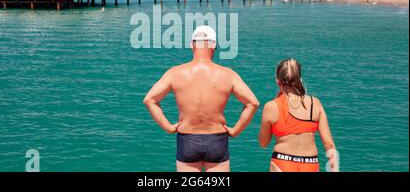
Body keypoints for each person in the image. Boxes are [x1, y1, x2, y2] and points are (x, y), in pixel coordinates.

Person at [144, 26, 260, 172]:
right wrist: (235, 130)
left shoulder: (175, 73)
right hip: (217, 139)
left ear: (191, 45)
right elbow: (253, 103)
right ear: (214, 45)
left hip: (187, 139)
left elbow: (149, 100)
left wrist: (168, 127)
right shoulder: (228, 74)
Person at [258, 59, 339, 172]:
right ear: (300, 80)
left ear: (278, 82)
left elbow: (263, 143)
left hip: (282, 161)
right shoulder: (315, 103)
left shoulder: (271, 106)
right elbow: (329, 145)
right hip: (310, 164)